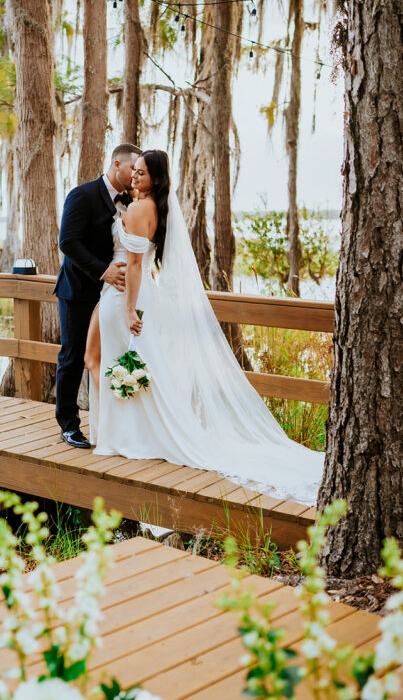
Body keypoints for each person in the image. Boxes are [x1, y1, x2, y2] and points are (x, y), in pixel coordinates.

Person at [84, 148, 325, 505]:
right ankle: (130, 434)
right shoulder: (155, 209)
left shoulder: (137, 209)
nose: (134, 177)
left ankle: (131, 437)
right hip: (130, 293)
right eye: (133, 171)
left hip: (124, 299)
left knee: (125, 363)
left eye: (142, 174)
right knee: (130, 364)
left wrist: (131, 310)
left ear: (155, 180)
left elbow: (134, 265)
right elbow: (143, 261)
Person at [54, 143, 142, 448]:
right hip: (79, 291)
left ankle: (114, 424)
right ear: (117, 164)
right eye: (133, 169)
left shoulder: (133, 201)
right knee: (74, 355)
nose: (135, 176)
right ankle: (68, 424)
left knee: (114, 355)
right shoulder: (82, 195)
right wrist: (103, 271)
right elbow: (68, 242)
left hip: (114, 296)